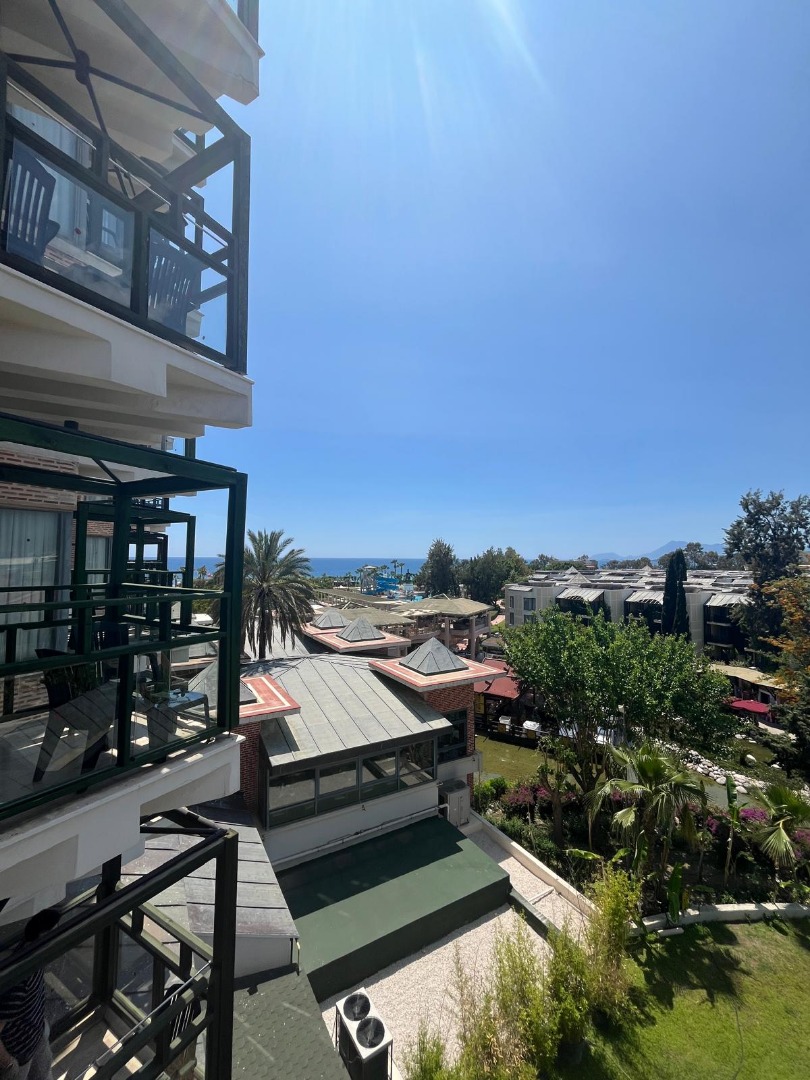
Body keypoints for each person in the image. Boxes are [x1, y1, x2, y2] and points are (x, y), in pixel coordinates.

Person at [0, 909, 60, 1080]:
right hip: (19, 1056)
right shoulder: (18, 983)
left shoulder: (31, 958)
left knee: (45, 1074)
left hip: (36, 1039)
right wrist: (9, 1065)